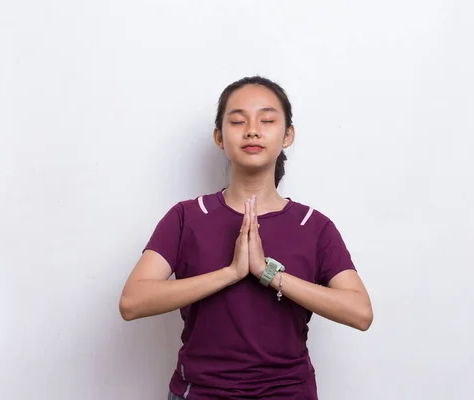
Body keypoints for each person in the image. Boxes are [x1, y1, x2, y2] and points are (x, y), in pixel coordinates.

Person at [119, 76, 373, 400]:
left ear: (287, 135)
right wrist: (231, 273)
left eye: (267, 120)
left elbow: (360, 312)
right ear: (219, 137)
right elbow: (132, 302)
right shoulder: (187, 217)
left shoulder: (314, 226)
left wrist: (268, 274)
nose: (252, 130)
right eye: (238, 121)